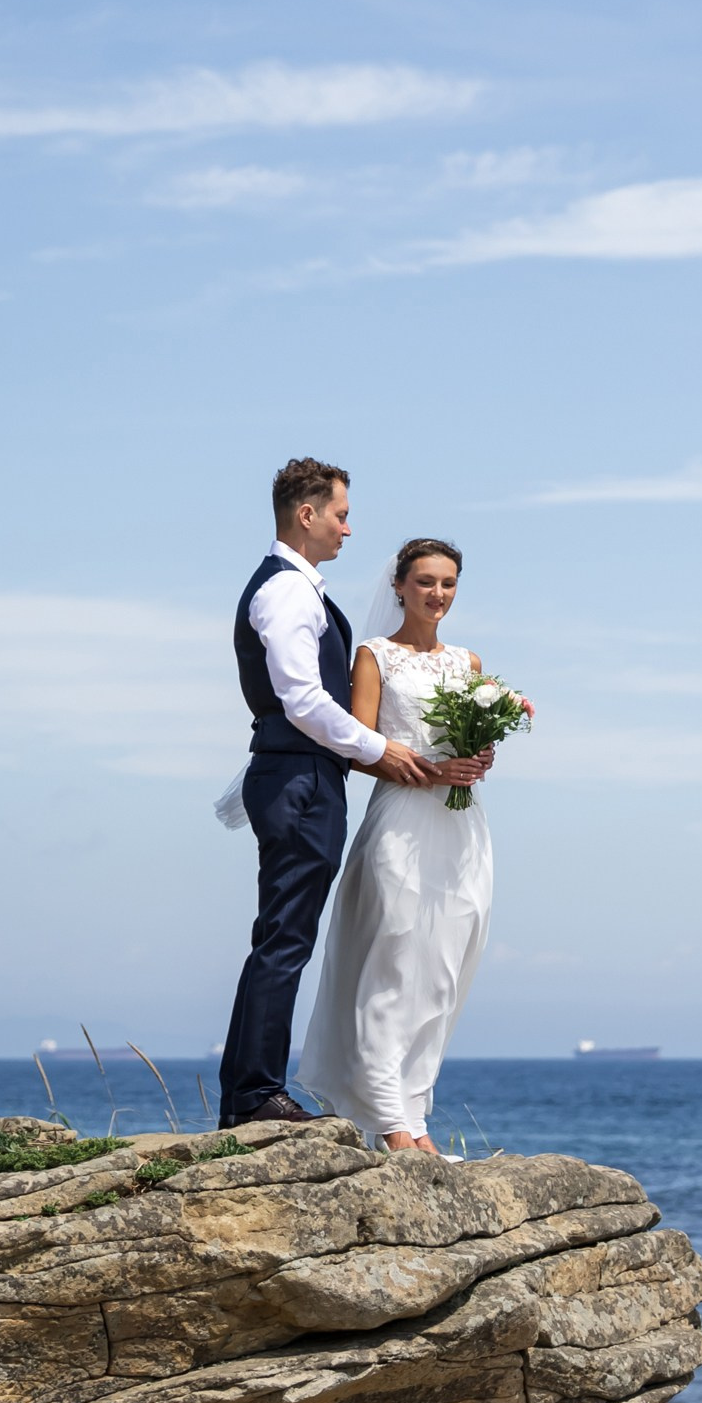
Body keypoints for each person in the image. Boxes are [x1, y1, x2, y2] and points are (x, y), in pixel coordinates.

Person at [217, 457, 483, 1128]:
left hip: (307, 777)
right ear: (306, 515)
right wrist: (380, 749)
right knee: (284, 939)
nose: (347, 528)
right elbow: (301, 699)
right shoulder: (285, 591)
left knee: (286, 937)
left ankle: (253, 1090)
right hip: (302, 780)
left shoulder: (300, 589)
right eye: (339, 514)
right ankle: (254, 1096)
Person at [299, 535, 501, 1152]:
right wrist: (426, 769)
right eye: (425, 582)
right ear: (399, 587)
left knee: (442, 970)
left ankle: (416, 1111)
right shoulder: (374, 656)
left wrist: (477, 757)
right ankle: (386, 1116)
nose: (437, 594)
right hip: (400, 821)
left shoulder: (467, 663)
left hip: (460, 827)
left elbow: (471, 741)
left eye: (448, 584)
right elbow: (357, 749)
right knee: (394, 958)